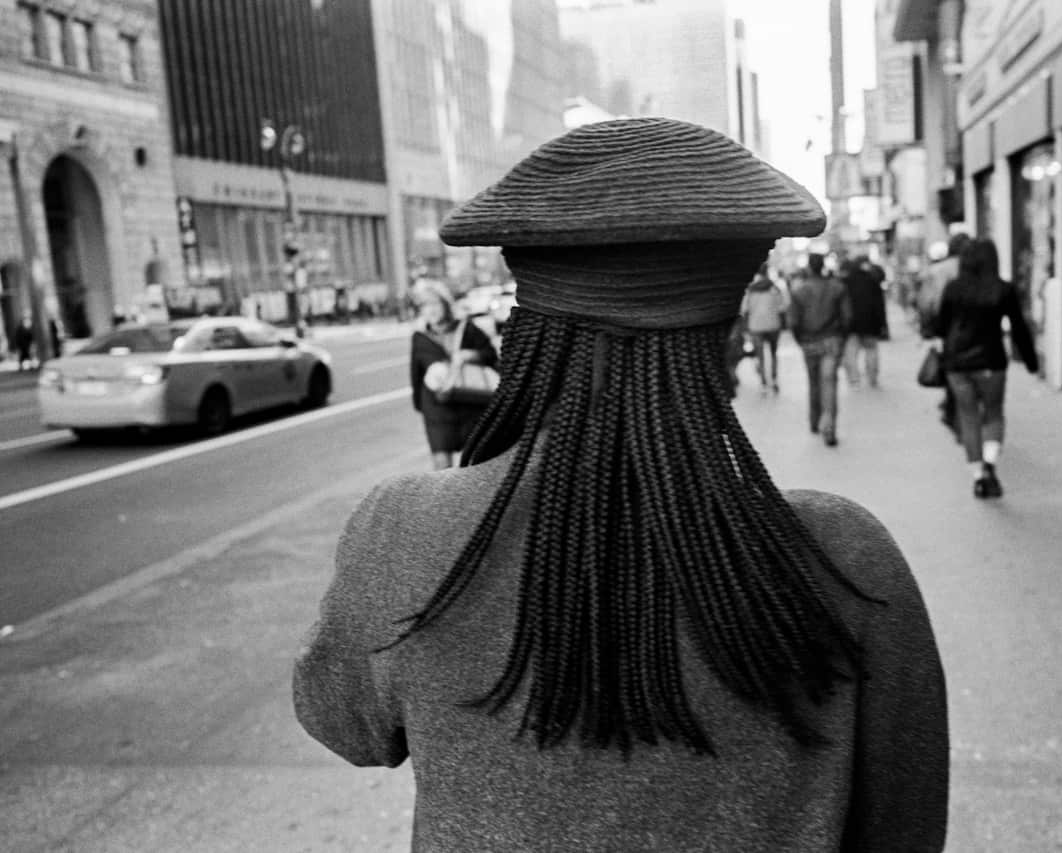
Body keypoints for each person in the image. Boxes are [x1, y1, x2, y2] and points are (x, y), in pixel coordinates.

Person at [294, 117, 949, 853]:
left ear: (522, 341)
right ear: (732, 343)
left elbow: (342, 721)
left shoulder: (406, 531)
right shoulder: (844, 560)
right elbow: (904, 829)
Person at [934, 237, 1039, 498]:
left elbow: (940, 327)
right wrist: (1031, 362)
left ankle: (978, 476)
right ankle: (990, 463)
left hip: (957, 364)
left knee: (968, 417)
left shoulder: (954, 288)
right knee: (993, 414)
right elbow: (1019, 328)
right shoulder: (1003, 289)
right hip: (991, 362)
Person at [408, 283, 498, 471]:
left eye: (435, 304)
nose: (431, 310)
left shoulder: (466, 329)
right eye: (425, 305)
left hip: (469, 400)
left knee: (475, 462)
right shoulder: (420, 337)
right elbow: (416, 374)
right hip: (437, 405)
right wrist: (419, 405)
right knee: (442, 465)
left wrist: (469, 355)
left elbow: (490, 355)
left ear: (445, 305)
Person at [788, 252, 851, 446]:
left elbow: (793, 322)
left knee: (814, 381)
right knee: (829, 382)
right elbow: (847, 317)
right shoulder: (837, 288)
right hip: (831, 340)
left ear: (808, 267)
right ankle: (829, 427)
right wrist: (842, 338)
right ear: (823, 266)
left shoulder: (799, 291)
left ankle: (815, 421)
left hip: (809, 341)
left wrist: (800, 340)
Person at [920, 233, 970, 437]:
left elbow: (927, 302)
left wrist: (927, 329)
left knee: (952, 367)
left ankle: (953, 408)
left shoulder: (937, 270)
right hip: (974, 324)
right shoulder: (975, 267)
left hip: (947, 326)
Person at [839, 254, 888, 388]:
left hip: (851, 325)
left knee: (851, 352)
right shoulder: (873, 281)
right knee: (871, 350)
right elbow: (880, 305)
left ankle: (854, 380)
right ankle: (872, 378)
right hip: (870, 324)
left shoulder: (846, 282)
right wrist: (883, 323)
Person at [739, 261, 788, 393]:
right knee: (773, 353)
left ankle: (763, 383)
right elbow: (783, 306)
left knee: (760, 356)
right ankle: (774, 379)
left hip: (756, 326)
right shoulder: (774, 288)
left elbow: (744, 309)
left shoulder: (750, 289)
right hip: (773, 325)